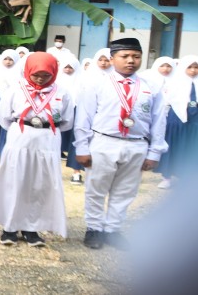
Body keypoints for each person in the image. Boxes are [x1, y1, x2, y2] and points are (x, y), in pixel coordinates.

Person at [74, 38, 167, 250]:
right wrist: (82, 147)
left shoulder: (151, 87)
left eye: (136, 56)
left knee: (126, 190)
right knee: (96, 188)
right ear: (112, 58)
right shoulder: (96, 83)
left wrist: (154, 152)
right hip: (104, 142)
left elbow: (159, 120)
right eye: (124, 56)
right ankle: (94, 229)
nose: (131, 61)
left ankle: (112, 229)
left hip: (136, 144)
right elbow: (84, 117)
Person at [0, 52, 74, 247]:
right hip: (20, 137)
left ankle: (31, 227)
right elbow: (3, 117)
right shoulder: (15, 90)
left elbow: (67, 121)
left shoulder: (62, 93)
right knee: (15, 180)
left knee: (40, 183)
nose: (40, 79)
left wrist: (44, 129)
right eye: (36, 74)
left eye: (46, 75)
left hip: (47, 139)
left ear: (54, 73)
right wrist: (25, 128)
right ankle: (9, 227)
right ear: (27, 71)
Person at [156, 56, 198, 189]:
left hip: (195, 120)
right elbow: (166, 102)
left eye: (196, 67)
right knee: (173, 146)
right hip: (177, 119)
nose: (193, 70)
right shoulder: (175, 82)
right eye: (189, 67)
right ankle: (166, 177)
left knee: (191, 147)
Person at [57, 55, 85, 185]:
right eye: (65, 67)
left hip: (78, 110)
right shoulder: (56, 80)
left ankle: (76, 172)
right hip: (59, 110)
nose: (68, 69)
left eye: (70, 67)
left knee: (77, 139)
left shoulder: (83, 80)